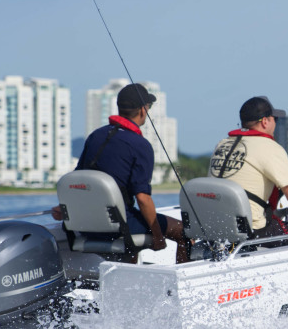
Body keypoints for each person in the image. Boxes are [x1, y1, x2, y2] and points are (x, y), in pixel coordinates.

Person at [53, 82, 189, 263]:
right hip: (119, 227)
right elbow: (142, 198)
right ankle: (180, 286)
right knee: (183, 232)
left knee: (131, 227)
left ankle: (126, 278)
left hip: (84, 224)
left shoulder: (96, 136)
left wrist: (64, 207)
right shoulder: (140, 145)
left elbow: (78, 178)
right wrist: (157, 236)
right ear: (143, 109)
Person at [209, 96, 288, 238]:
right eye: (275, 119)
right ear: (265, 121)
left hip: (216, 224)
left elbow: (247, 178)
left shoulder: (223, 144)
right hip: (251, 230)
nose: (276, 123)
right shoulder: (269, 147)